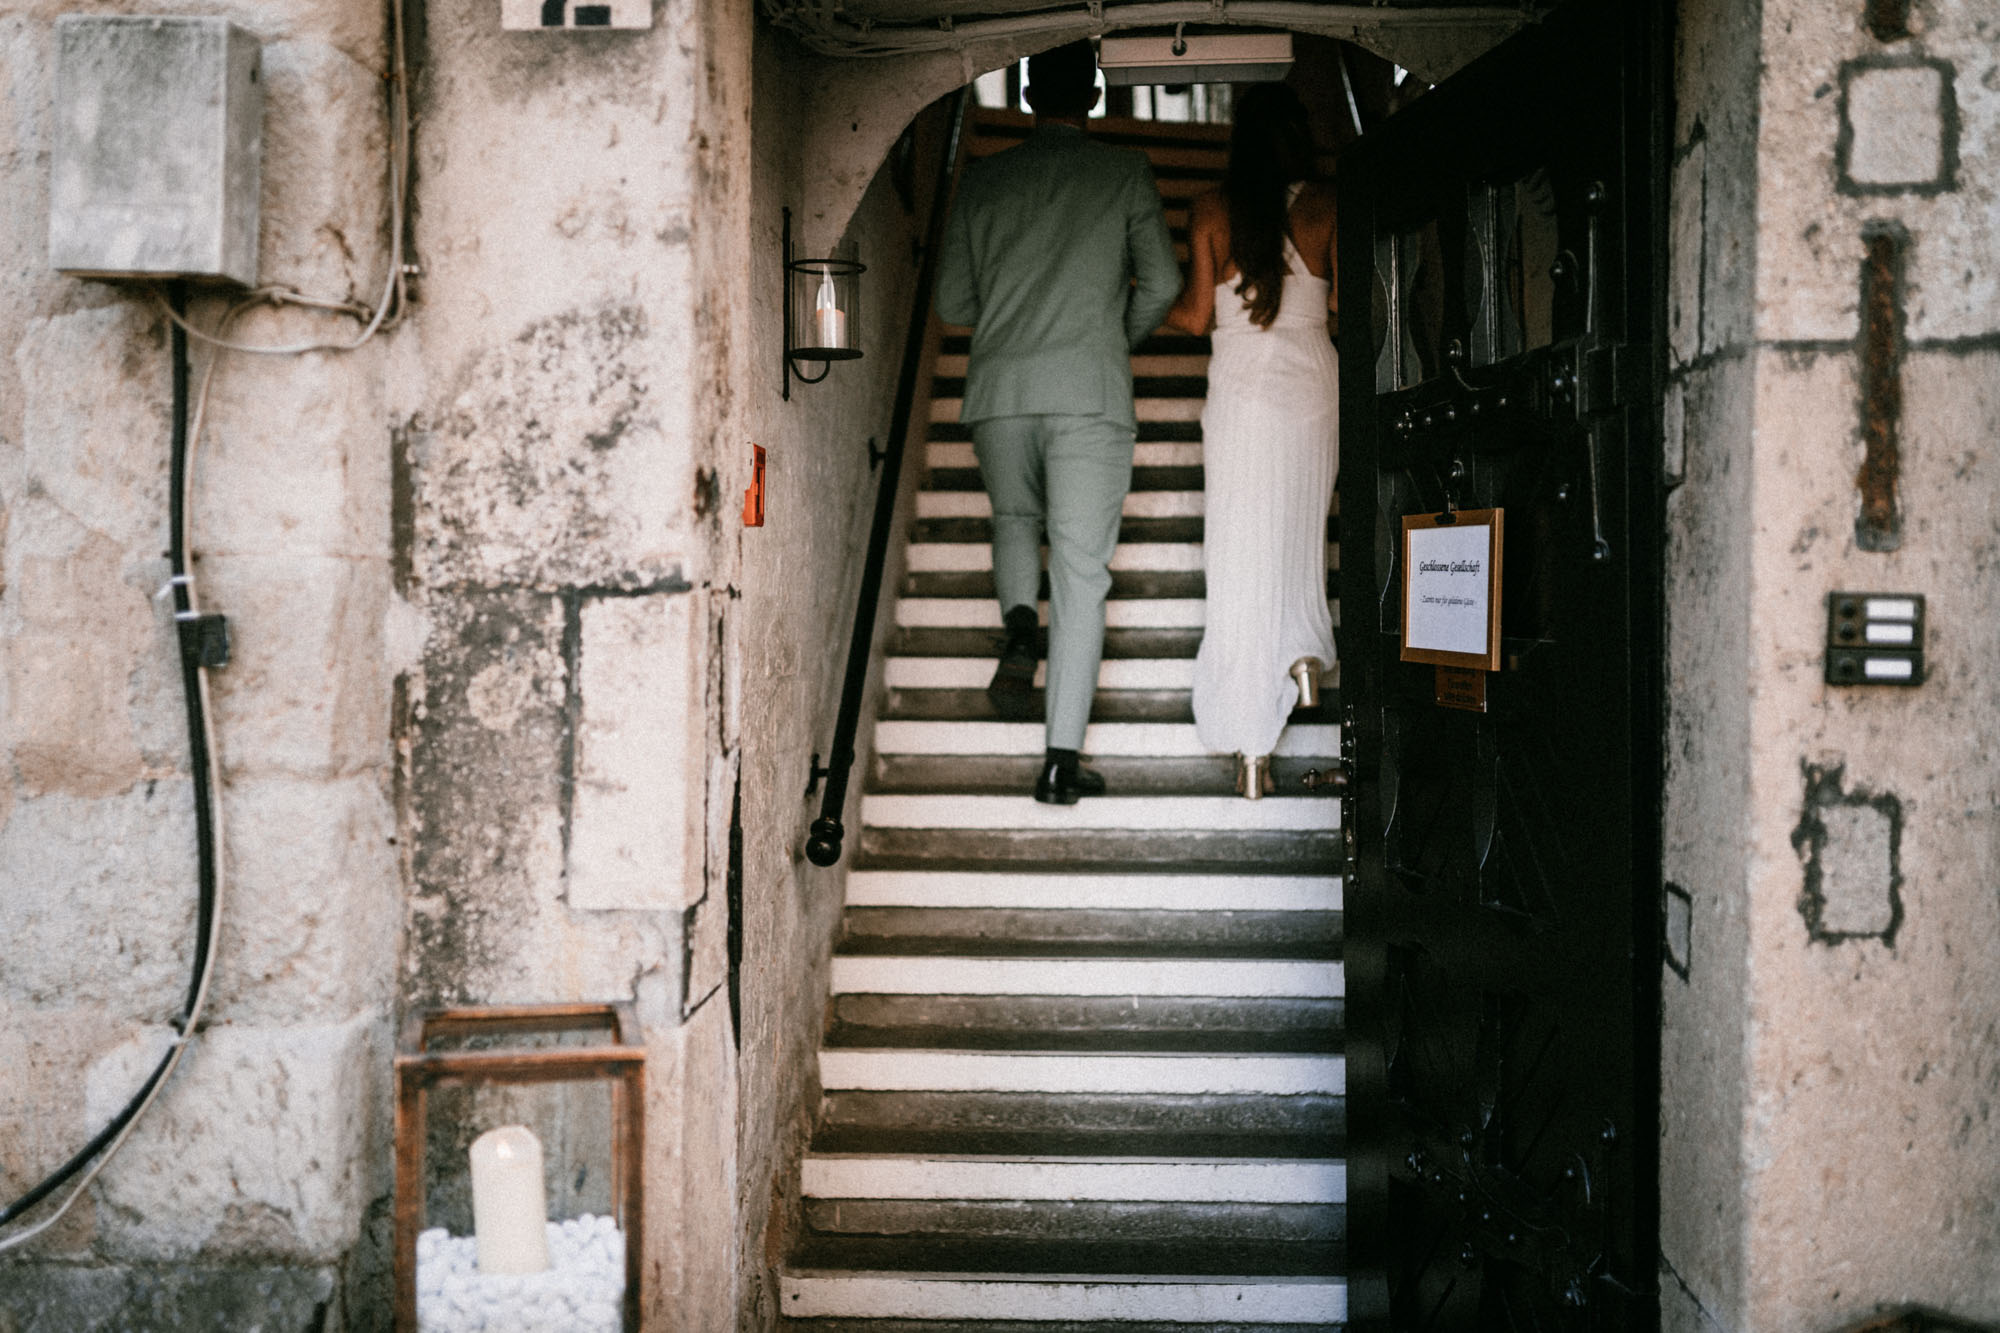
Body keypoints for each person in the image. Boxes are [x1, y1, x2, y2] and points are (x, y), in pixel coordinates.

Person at [934, 40, 1182, 805]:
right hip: (1088, 393)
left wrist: (1010, 326)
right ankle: (1058, 762)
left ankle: (1017, 626)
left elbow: (952, 304)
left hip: (1000, 388)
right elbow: (1165, 281)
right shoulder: (1123, 172)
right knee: (1080, 576)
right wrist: (1110, 338)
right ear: (1095, 96)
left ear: (1030, 92)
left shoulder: (984, 177)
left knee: (1012, 514)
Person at [1164, 82, 1339, 799]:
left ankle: (1250, 758)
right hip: (1308, 384)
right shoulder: (1329, 205)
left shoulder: (1209, 209)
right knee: (1298, 534)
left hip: (1239, 392)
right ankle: (1302, 653)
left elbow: (1196, 315)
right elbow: (1350, 303)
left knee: (1237, 554)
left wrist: (1137, 298)